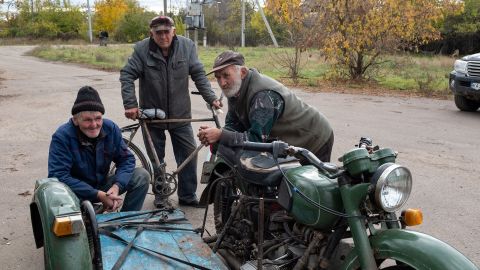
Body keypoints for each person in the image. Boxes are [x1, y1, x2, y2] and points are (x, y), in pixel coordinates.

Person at [120, 15, 221, 208]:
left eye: (167, 31)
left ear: (174, 31)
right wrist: (130, 104)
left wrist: (211, 98)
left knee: (189, 152)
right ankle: (161, 194)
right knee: (157, 157)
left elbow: (198, 74)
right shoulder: (142, 49)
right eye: (158, 32)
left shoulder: (187, 46)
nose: (163, 36)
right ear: (152, 33)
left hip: (180, 114)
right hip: (151, 115)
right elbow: (127, 75)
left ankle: (187, 195)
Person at [197, 51, 334, 162]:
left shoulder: (263, 96)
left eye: (226, 75)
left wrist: (221, 134)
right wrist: (214, 135)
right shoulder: (235, 90)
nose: (222, 83)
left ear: (243, 72)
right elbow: (233, 125)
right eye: (218, 77)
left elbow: (256, 140)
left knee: (306, 190)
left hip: (314, 139)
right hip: (286, 142)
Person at [48, 86, 149, 212]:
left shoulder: (110, 128)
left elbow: (126, 159)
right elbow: (58, 176)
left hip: (102, 185)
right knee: (79, 223)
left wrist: (117, 186)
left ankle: (126, 222)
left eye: (98, 118)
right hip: (75, 192)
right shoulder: (62, 137)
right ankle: (88, 212)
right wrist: (98, 195)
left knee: (141, 176)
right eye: (87, 120)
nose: (94, 125)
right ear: (75, 120)